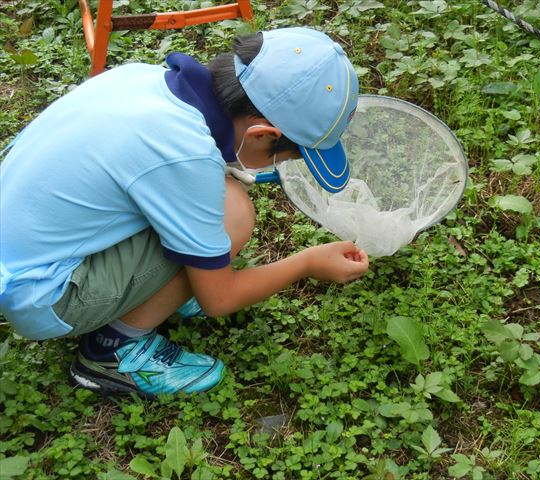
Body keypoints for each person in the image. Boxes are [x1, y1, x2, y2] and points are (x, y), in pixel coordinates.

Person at [0, 27, 369, 398]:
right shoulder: (187, 155)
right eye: (288, 154)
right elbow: (219, 300)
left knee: (221, 195)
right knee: (234, 214)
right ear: (262, 134)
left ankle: (161, 290)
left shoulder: (142, 78)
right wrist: (307, 263)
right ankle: (110, 351)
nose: (280, 163)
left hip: (18, 252)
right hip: (46, 295)